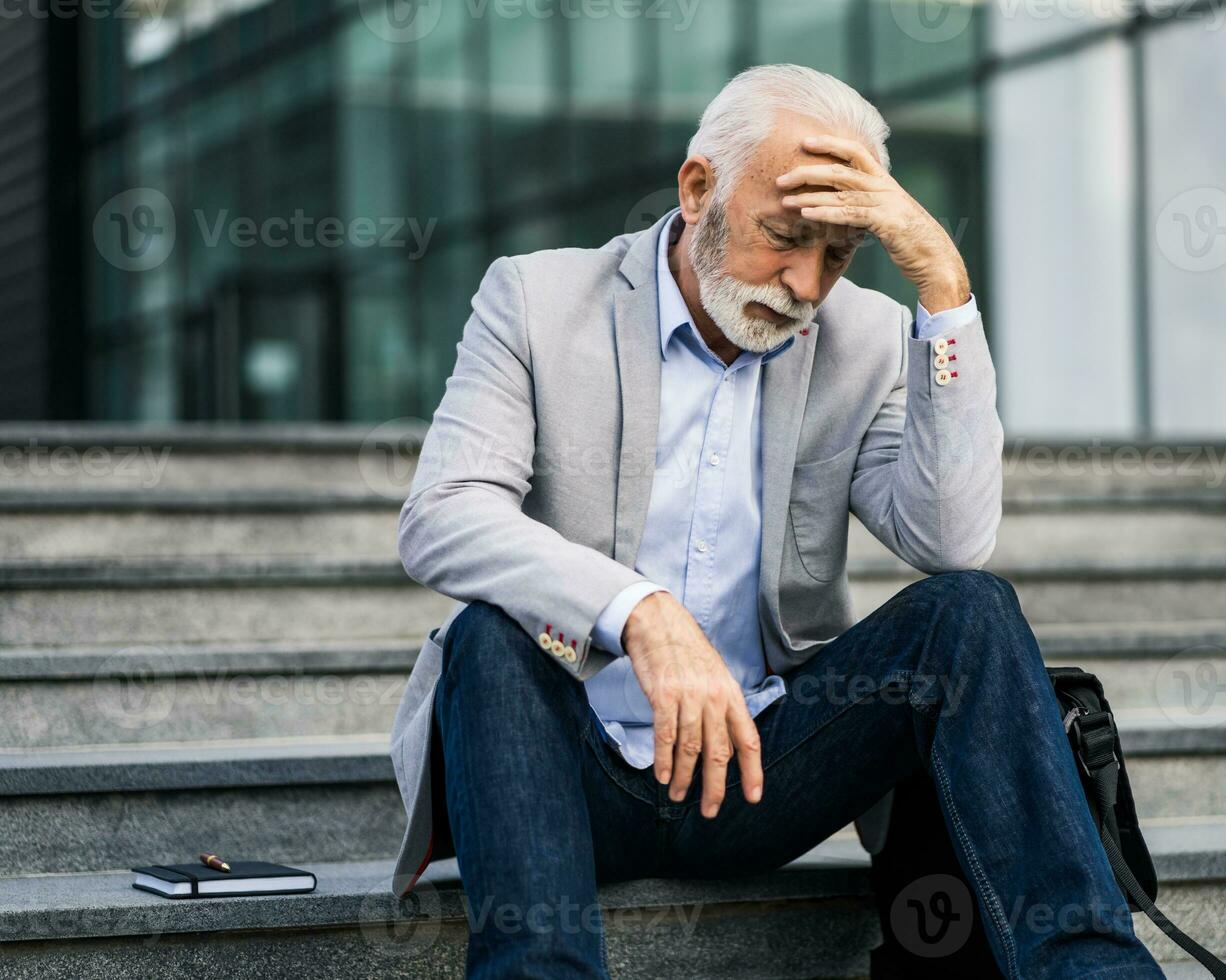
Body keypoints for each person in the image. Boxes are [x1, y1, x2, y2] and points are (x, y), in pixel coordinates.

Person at [388, 62, 1165, 980]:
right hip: (561, 770)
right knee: (491, 637)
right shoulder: (538, 299)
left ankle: (1095, 971)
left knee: (971, 611)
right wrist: (640, 611)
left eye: (837, 255)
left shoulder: (866, 338)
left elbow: (949, 541)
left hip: (761, 771)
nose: (804, 283)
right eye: (783, 237)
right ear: (696, 189)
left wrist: (944, 292)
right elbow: (442, 512)